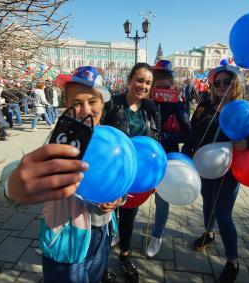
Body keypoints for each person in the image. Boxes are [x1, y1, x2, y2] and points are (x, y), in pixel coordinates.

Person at [0, 66, 120, 283]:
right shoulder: (60, 141)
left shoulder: (112, 142)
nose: (85, 109)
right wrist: (11, 185)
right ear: (67, 106)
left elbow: (122, 178)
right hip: (66, 239)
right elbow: (26, 170)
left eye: (92, 101)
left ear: (103, 101)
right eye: (76, 103)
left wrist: (119, 197)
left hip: (103, 232)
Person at [182, 65, 249, 283]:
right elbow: (193, 134)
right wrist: (185, 158)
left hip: (229, 171)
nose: (221, 86)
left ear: (235, 84)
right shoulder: (205, 106)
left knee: (223, 214)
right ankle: (208, 233)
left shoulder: (243, 109)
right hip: (203, 166)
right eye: (217, 82)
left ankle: (232, 261)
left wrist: (246, 142)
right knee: (207, 201)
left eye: (226, 82)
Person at [101, 62, 160, 283]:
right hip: (111, 173)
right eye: (139, 80)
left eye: (148, 83)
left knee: (128, 218)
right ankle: (102, 262)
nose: (143, 86)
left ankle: (125, 257)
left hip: (136, 177)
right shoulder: (112, 104)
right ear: (129, 81)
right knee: (105, 217)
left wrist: (154, 176)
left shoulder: (152, 109)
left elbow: (156, 142)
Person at [146, 60, 192, 258]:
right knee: (129, 194)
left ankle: (157, 235)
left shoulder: (177, 105)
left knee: (162, 201)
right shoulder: (144, 103)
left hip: (167, 157)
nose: (163, 91)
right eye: (159, 87)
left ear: (172, 87)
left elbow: (189, 134)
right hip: (144, 157)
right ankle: (121, 230)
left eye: (167, 88)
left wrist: (167, 136)